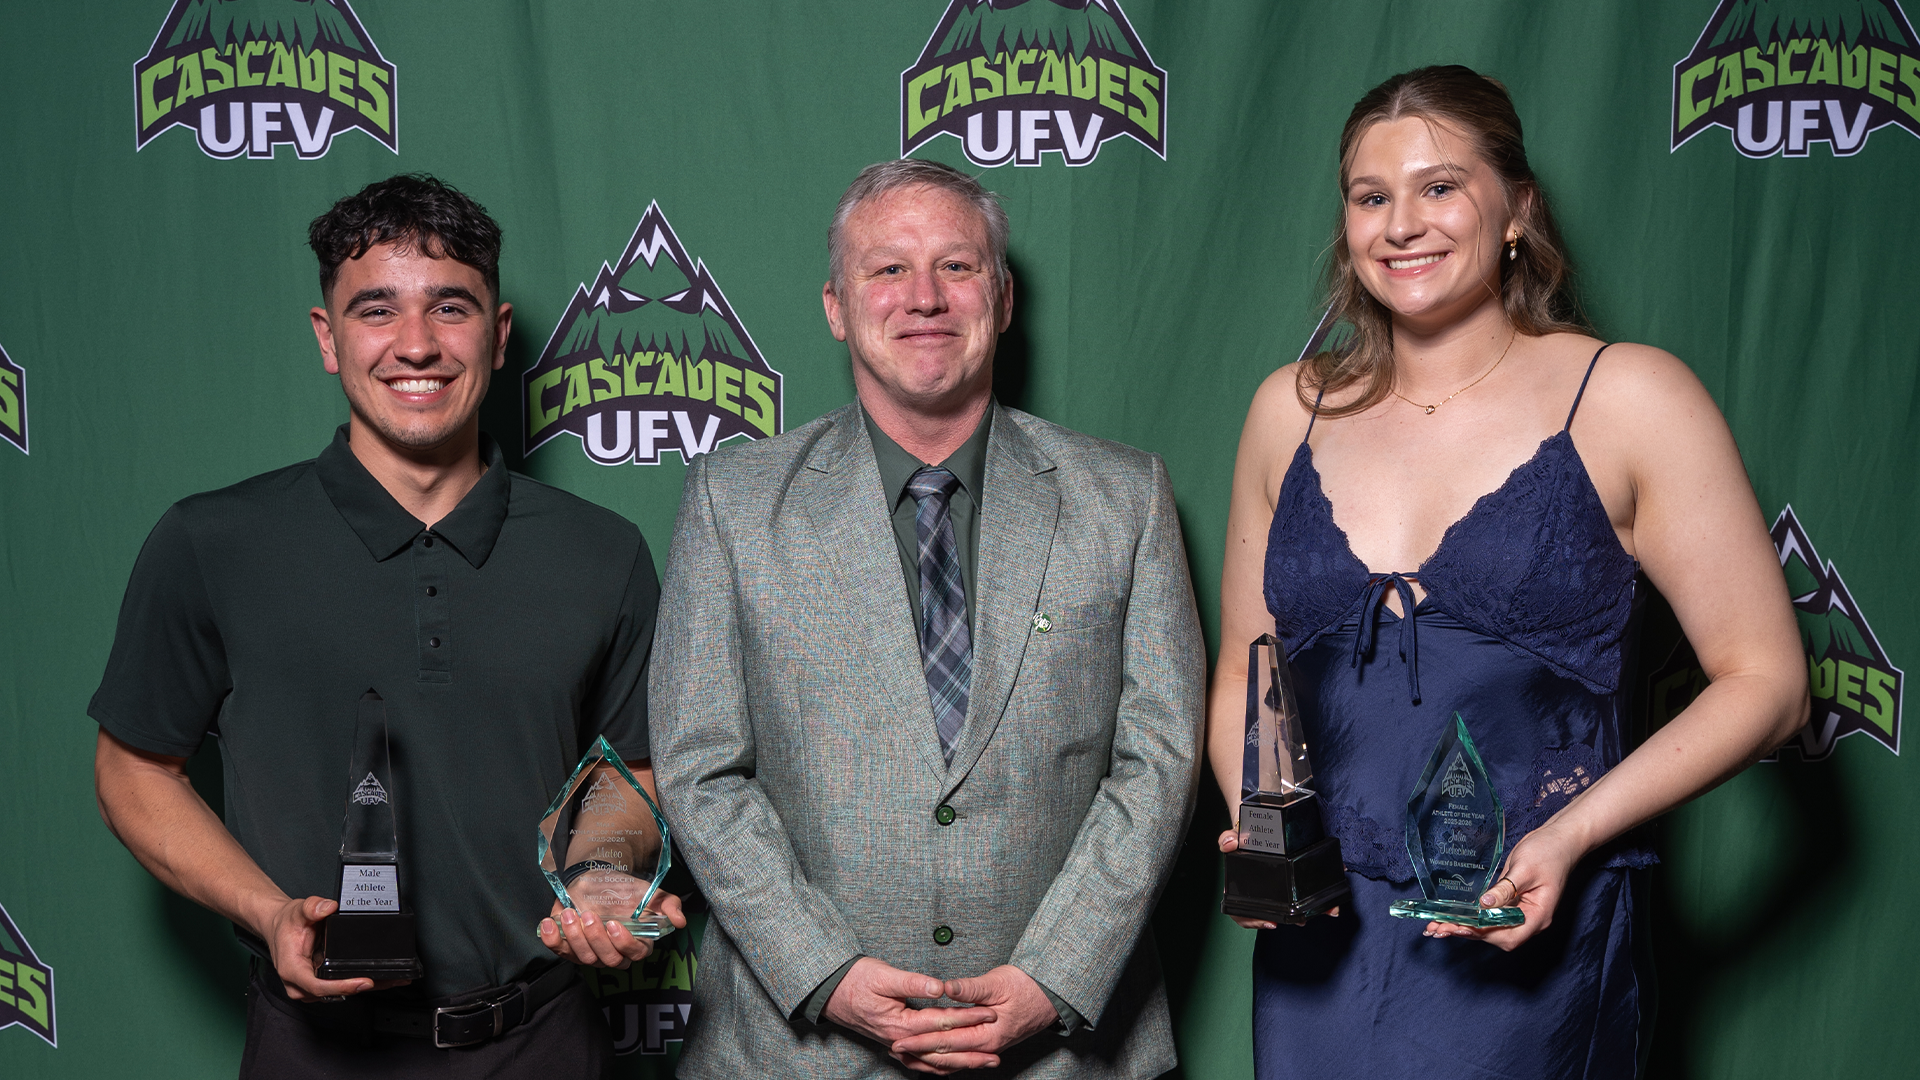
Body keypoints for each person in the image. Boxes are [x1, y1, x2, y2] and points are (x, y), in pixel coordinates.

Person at [1208, 67, 1808, 1078]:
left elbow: (1770, 683)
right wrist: (1263, 833)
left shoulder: (1629, 398)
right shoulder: (1290, 410)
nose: (1402, 224)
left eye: (1440, 187)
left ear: (1518, 209)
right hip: (1323, 944)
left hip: (1529, 926)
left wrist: (1572, 838)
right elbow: (1243, 671)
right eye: (1371, 196)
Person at [89, 174, 681, 1078]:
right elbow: (135, 767)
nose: (417, 345)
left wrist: (603, 880)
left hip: (544, 1043)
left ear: (500, 331)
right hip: (316, 1049)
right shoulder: (213, 542)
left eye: (450, 306)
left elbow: (629, 765)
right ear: (328, 338)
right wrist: (267, 912)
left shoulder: (602, 553)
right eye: (376, 310)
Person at [650, 158, 1205, 1078]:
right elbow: (699, 766)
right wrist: (824, 972)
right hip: (798, 1053)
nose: (925, 297)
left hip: (1067, 1052)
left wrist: (1053, 974)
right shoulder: (733, 502)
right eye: (887, 270)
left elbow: (1161, 757)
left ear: (1003, 295)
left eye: (957, 266)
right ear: (837, 305)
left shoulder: (1125, 496)